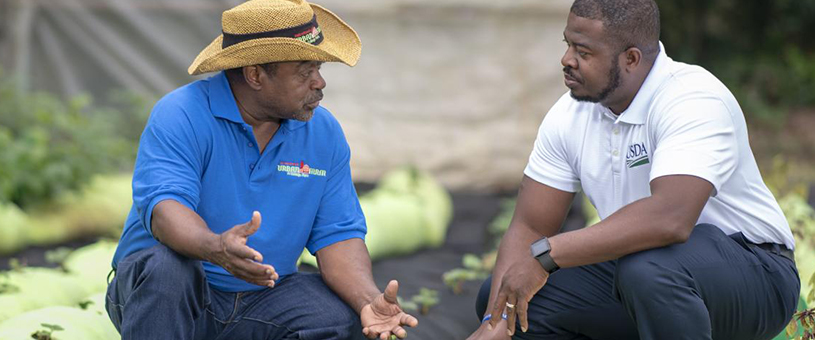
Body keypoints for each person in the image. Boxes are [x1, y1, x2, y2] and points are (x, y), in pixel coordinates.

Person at [467, 0, 799, 339]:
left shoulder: (693, 98)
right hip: (643, 273)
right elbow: (530, 224)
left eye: (583, 52)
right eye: (567, 45)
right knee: (511, 299)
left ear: (631, 59)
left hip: (756, 274)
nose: (567, 60)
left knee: (648, 271)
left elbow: (670, 219)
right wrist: (493, 323)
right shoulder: (569, 116)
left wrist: (546, 257)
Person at [105, 1, 418, 339]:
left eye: (319, 68)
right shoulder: (182, 114)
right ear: (255, 75)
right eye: (304, 71)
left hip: (264, 297)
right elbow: (166, 210)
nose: (319, 82)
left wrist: (368, 301)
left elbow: (338, 236)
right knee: (166, 271)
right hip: (176, 298)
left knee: (338, 317)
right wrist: (216, 247)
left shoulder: (322, 133)